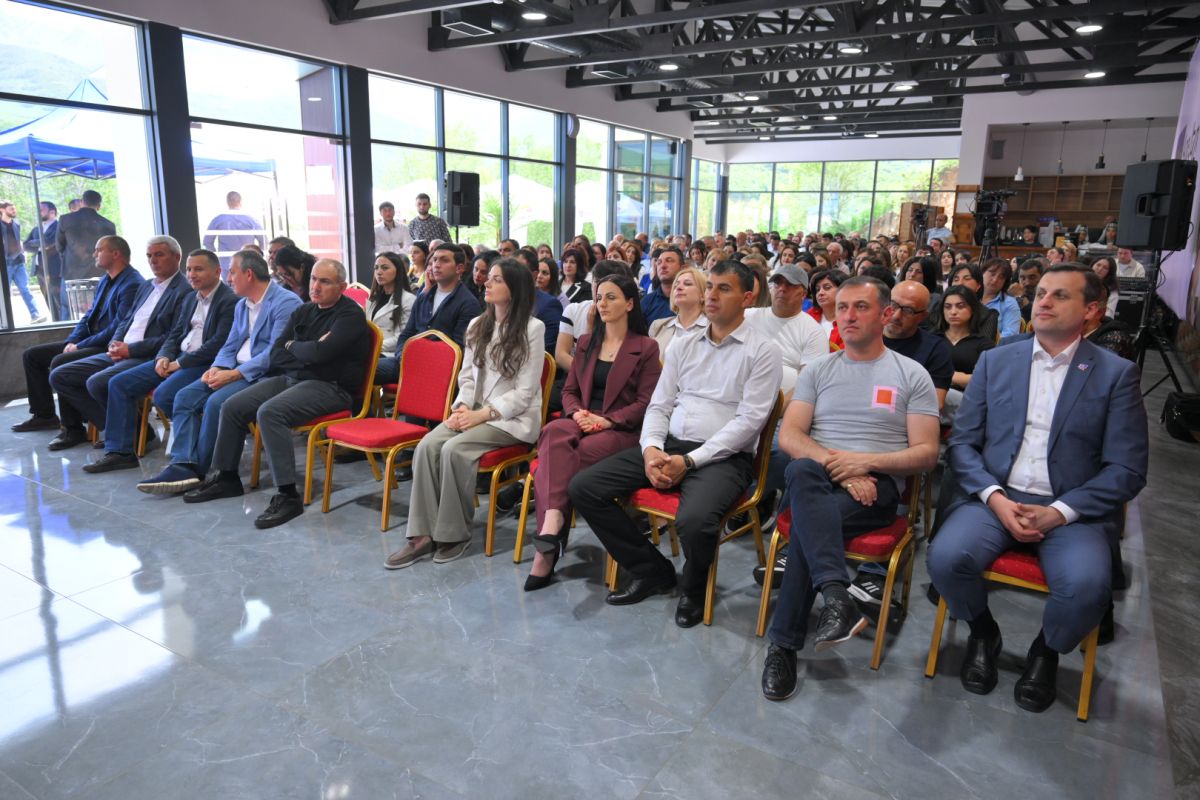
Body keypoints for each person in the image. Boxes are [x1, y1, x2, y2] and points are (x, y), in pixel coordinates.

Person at [927, 264, 1148, 714]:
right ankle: (983, 633)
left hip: (1070, 510)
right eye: (1042, 292)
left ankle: (1046, 651)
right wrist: (994, 497)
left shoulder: (1114, 374)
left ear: (1092, 310)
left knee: (1087, 586)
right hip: (996, 498)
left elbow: (1127, 468)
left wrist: (1061, 511)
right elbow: (963, 444)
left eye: (1059, 295)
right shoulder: (997, 360)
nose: (1043, 301)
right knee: (945, 559)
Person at [569, 261, 783, 628]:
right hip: (669, 444)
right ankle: (651, 570)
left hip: (724, 457)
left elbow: (749, 423)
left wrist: (691, 461)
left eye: (724, 289)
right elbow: (659, 404)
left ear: (748, 298)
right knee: (585, 488)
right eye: (710, 287)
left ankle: (694, 590)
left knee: (695, 520)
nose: (712, 295)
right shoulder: (684, 345)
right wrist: (651, 448)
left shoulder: (763, 350)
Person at [761, 277, 940, 701]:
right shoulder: (819, 370)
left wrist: (867, 463)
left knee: (806, 526)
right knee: (801, 470)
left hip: (876, 487)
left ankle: (783, 644)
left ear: (885, 314)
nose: (848, 315)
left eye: (861, 306)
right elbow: (790, 436)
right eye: (842, 307)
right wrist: (841, 468)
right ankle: (837, 596)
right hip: (822, 476)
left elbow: (927, 453)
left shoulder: (911, 374)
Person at [184, 258, 371, 528]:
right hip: (294, 378)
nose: (316, 286)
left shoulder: (350, 315)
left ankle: (288, 494)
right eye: (313, 279)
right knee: (233, 406)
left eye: (325, 281)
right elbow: (277, 353)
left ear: (342, 287)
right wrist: (305, 350)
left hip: (332, 387)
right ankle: (226, 477)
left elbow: (321, 353)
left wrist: (296, 347)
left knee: (270, 412)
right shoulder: (304, 310)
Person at [384, 258, 545, 568]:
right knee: (427, 446)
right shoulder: (477, 325)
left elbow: (524, 393)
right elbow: (468, 378)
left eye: (497, 279)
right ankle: (421, 534)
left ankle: (454, 533)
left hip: (511, 419)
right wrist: (461, 407)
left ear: (515, 288)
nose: (487, 283)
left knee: (454, 450)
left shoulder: (532, 328)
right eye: (489, 278)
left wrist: (481, 415)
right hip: (473, 411)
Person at [524, 274, 662, 591]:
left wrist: (608, 421)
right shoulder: (586, 343)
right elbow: (569, 391)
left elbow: (646, 403)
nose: (602, 303)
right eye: (599, 297)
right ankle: (554, 520)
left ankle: (546, 551)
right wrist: (577, 413)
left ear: (630, 303)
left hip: (621, 428)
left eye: (611, 297)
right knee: (553, 431)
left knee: (562, 461)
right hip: (583, 419)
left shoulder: (646, 347)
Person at [136, 250, 303, 494]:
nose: (229, 278)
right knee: (184, 397)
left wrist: (235, 374)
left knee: (216, 403)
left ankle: (201, 470)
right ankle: (183, 463)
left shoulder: (285, 303)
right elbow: (230, 345)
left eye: (232, 272)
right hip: (234, 368)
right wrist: (218, 367)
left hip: (266, 374)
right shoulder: (242, 304)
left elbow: (274, 353)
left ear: (248, 274)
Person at [84, 248, 237, 473]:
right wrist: (164, 356)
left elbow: (217, 344)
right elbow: (175, 334)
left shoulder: (229, 300)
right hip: (177, 358)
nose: (192, 274)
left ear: (217, 272)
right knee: (118, 383)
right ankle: (120, 452)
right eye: (189, 269)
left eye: (198, 269)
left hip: (203, 364)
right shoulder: (191, 298)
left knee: (165, 395)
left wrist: (179, 364)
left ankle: (196, 444)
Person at [49, 236, 190, 451]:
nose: (153, 260)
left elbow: (173, 337)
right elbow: (126, 320)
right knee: (60, 375)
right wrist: (115, 342)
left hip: (148, 356)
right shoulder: (146, 286)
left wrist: (130, 349)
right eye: (149, 256)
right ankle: (130, 429)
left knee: (97, 382)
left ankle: (122, 438)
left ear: (177, 257)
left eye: (159, 255)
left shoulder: (184, 290)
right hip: (122, 351)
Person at [12, 236, 143, 435]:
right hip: (90, 341)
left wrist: (80, 346)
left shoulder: (132, 283)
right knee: (32, 355)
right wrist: (73, 340)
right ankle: (44, 416)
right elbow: (89, 316)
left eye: (99, 250)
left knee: (60, 361)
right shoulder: (105, 279)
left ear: (116, 254)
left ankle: (73, 430)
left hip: (108, 345)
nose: (94, 254)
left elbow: (117, 328)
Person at [393, 243, 482, 361]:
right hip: (409, 358)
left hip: (438, 365)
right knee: (372, 365)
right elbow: (407, 333)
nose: (436, 265)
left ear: (459, 268)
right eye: (434, 260)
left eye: (444, 260)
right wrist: (401, 355)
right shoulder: (424, 295)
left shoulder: (468, 303)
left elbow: (458, 350)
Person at [933, 285, 994, 424]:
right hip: (931, 397)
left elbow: (988, 380)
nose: (953, 312)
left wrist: (948, 376)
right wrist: (961, 377)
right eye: (948, 307)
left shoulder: (983, 344)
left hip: (966, 401)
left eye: (960, 306)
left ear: (972, 309)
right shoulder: (932, 339)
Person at [367, 252, 415, 384]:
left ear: (398, 271)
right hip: (373, 351)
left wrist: (372, 346)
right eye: (376, 268)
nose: (379, 272)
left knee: (359, 368)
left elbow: (401, 338)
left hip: (393, 356)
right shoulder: (374, 298)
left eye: (385, 268)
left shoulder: (408, 300)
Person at [55, 190, 116, 282]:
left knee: (71, 292)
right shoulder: (109, 225)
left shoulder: (65, 219)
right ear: (99, 206)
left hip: (72, 271)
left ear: (81, 202)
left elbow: (59, 246)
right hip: (99, 272)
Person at [648, 265, 708, 357]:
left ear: (703, 295)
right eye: (676, 285)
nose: (679, 288)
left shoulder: (715, 329)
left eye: (687, 284)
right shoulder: (657, 326)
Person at [0, 200, 44, 323]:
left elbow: (17, 240)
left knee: (25, 289)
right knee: (3, 293)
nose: (14, 211)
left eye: (14, 208)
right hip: (5, 264)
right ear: (2, 210)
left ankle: (35, 315)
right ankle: (4, 321)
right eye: (11, 209)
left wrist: (22, 252)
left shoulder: (17, 223)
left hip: (19, 262)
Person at [22, 201, 64, 321]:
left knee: (59, 300)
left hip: (53, 269)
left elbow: (49, 242)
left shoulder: (59, 226)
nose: (38, 212)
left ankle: (64, 324)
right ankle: (56, 324)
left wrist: (37, 243)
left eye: (41, 210)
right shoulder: (37, 228)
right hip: (39, 270)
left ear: (52, 212)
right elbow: (25, 245)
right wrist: (41, 245)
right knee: (48, 300)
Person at [202, 191, 264, 272]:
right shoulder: (251, 219)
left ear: (227, 202)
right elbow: (263, 240)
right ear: (240, 201)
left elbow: (207, 242)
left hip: (226, 265)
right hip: (248, 264)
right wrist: (258, 258)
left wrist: (216, 259)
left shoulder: (218, 219)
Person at [948, 263, 999, 342]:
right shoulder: (939, 308)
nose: (960, 283)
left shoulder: (988, 315)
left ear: (978, 285)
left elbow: (984, 345)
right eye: (956, 280)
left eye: (967, 279)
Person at [641, 246, 684, 323]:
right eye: (659, 262)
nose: (663, 266)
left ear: (682, 268)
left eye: (669, 261)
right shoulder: (647, 302)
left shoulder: (692, 300)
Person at [806, 268, 846, 351]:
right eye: (817, 290)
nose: (820, 293)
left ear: (843, 289)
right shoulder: (810, 314)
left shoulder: (850, 319)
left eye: (827, 288)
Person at [980, 258, 1021, 338]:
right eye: (992, 274)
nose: (995, 280)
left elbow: (1010, 335)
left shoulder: (1009, 303)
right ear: (982, 273)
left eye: (1001, 277)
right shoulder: (970, 296)